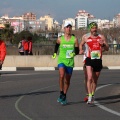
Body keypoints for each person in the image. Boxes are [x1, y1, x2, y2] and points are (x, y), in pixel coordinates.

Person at [79, 22, 109, 104]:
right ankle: (89, 95)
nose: (94, 29)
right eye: (92, 28)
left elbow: (107, 48)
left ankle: (92, 94)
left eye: (95, 28)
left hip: (98, 60)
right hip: (89, 59)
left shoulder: (101, 37)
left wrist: (103, 45)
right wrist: (81, 50)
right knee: (89, 77)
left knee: (95, 80)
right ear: (90, 29)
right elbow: (81, 44)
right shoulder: (86, 37)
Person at [52, 21, 79, 105]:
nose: (69, 29)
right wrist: (55, 53)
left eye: (70, 27)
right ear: (64, 29)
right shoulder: (60, 39)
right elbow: (56, 46)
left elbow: (77, 51)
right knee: (61, 75)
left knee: (67, 80)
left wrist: (73, 53)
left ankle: (64, 95)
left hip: (70, 62)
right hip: (62, 60)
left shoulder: (74, 39)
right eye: (67, 27)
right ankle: (61, 92)